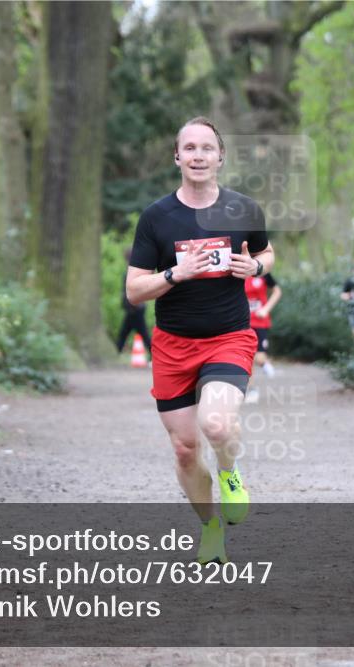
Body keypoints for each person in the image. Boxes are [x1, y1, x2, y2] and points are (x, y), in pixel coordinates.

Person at [126, 116, 275, 565]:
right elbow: (134, 289)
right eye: (188, 148)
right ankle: (211, 528)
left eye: (206, 148)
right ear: (177, 157)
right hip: (173, 344)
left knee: (216, 425)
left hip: (228, 336)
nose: (197, 156)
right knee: (186, 448)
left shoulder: (243, 210)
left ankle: (230, 474)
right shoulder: (156, 218)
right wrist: (174, 274)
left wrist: (257, 268)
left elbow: (266, 252)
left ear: (220, 156)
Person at [243, 273, 282, 404]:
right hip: (242, 322)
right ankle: (251, 390)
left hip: (260, 321)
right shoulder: (236, 270)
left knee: (258, 357)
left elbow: (277, 291)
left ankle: (265, 363)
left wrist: (266, 309)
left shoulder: (262, 271)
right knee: (246, 358)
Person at [115, 249, 152, 356]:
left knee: (138, 333)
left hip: (135, 308)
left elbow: (131, 291)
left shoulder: (131, 272)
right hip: (134, 308)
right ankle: (117, 351)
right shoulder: (134, 270)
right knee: (126, 332)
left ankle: (117, 351)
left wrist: (130, 305)